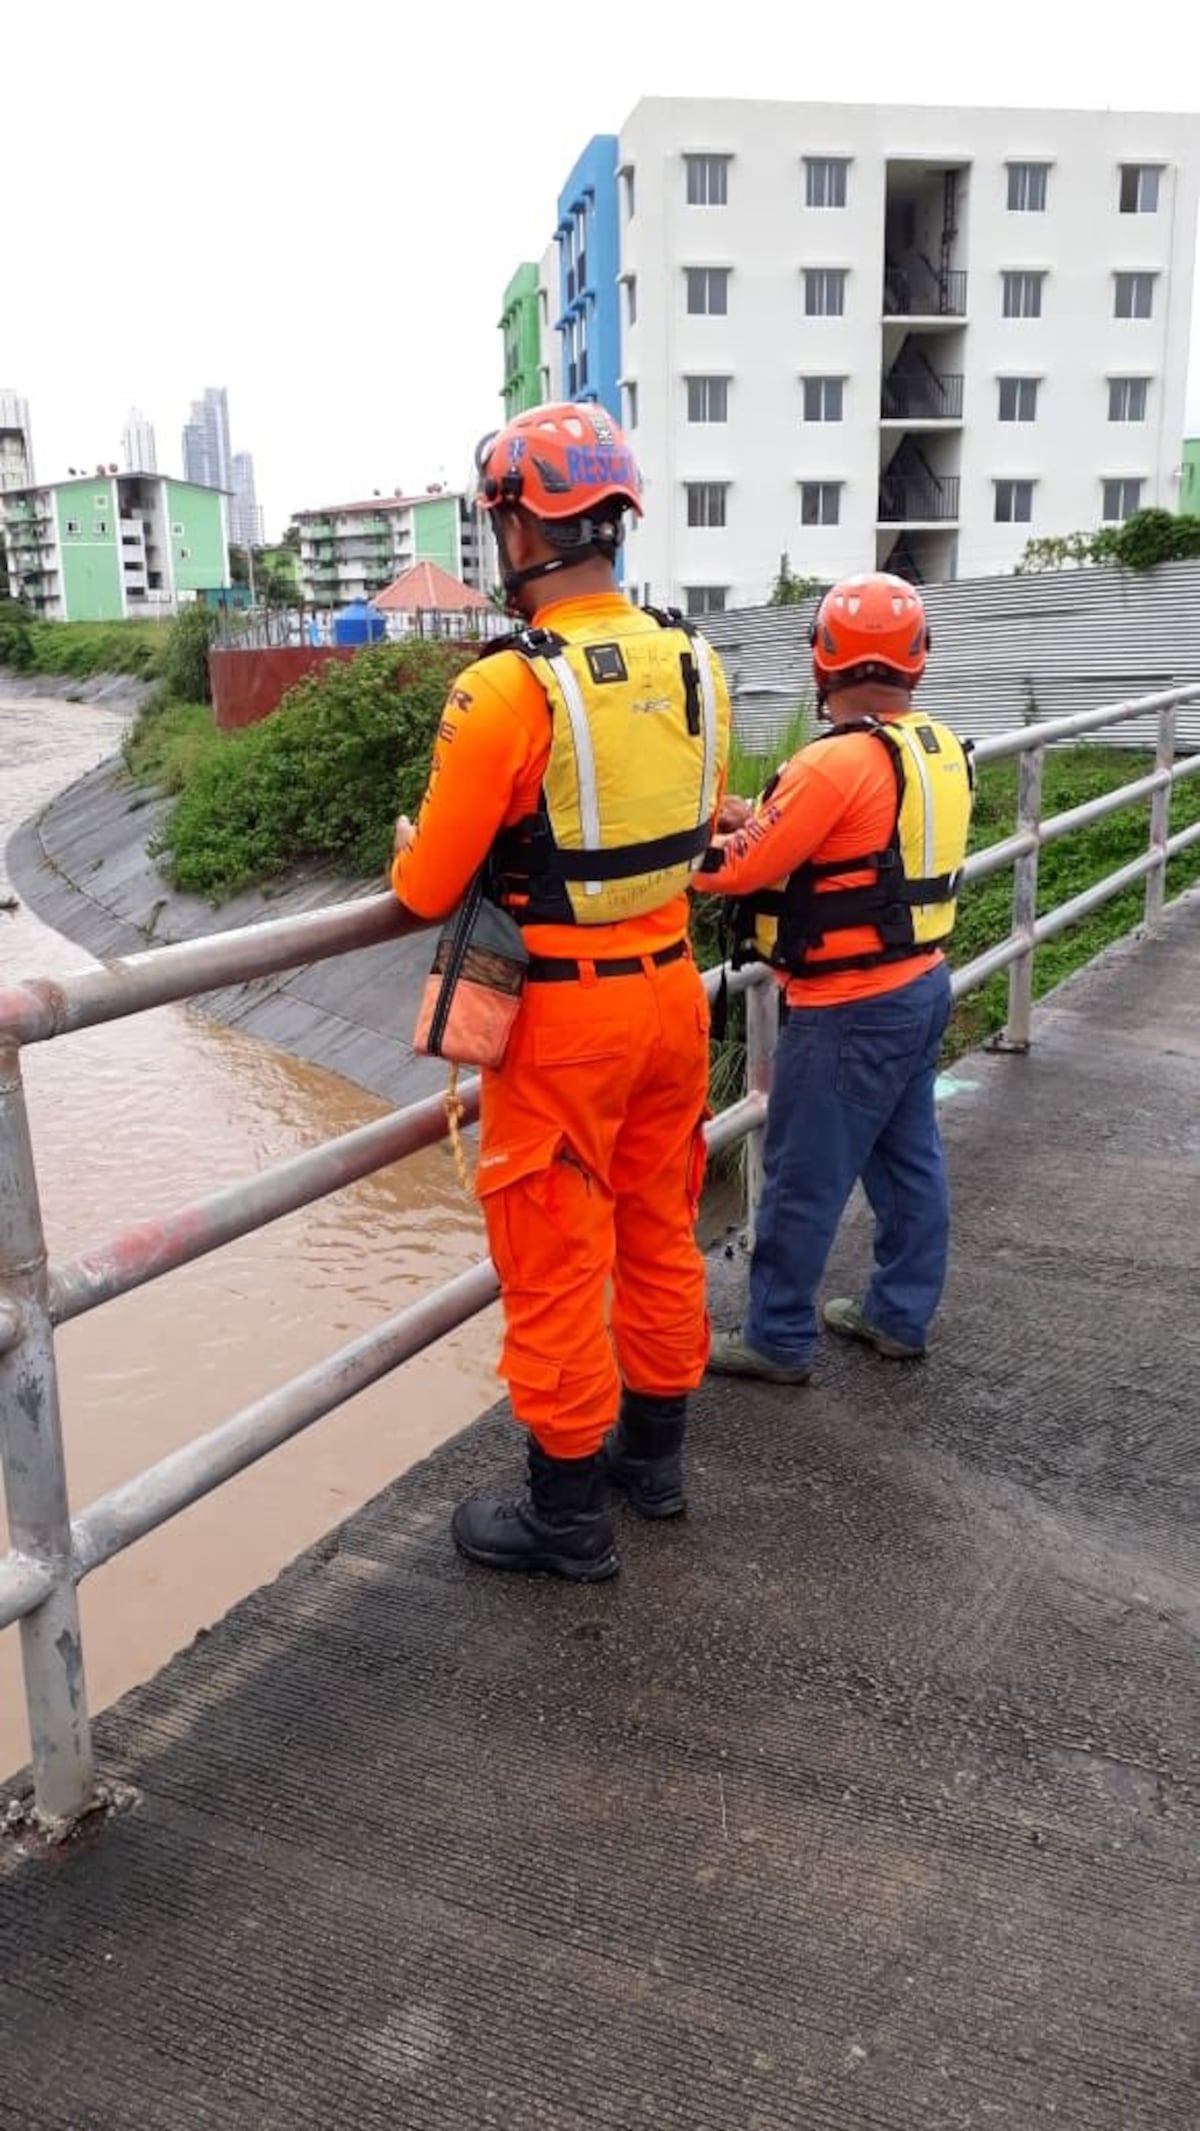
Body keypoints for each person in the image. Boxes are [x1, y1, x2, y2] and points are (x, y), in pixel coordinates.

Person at [391, 402, 731, 1580]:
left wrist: (408, 842)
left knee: (551, 1262)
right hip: (674, 995)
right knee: (658, 1230)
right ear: (613, 522)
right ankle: (657, 1463)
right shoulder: (697, 661)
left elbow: (429, 882)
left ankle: (568, 1515)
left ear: (518, 526)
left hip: (563, 1021)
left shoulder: (505, 692)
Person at [695, 572, 973, 1383]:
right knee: (907, 1159)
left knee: (801, 1177)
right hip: (921, 985)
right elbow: (861, 846)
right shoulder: (935, 748)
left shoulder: (834, 763)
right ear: (916, 663)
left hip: (848, 1005)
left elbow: (739, 871)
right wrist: (766, 817)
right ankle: (898, 1313)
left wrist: (658, 853)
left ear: (824, 662)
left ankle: (776, 1337)